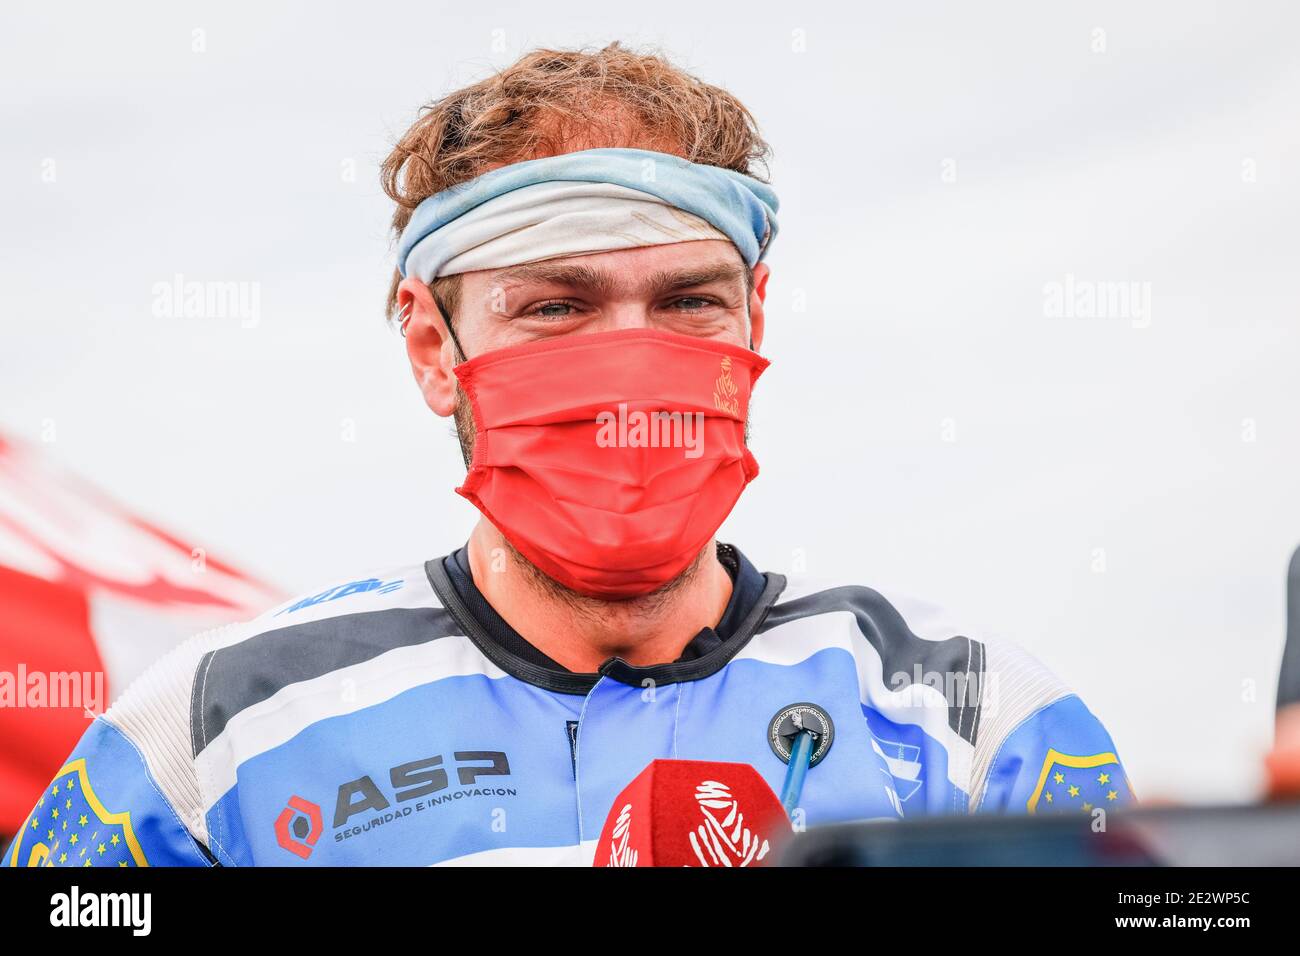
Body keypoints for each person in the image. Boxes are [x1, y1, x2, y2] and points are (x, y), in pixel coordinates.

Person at [9, 43, 1131, 868]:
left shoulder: (974, 718)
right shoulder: (215, 735)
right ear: (430, 346)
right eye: (556, 307)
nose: (630, 368)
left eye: (689, 299)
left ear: (754, 320)